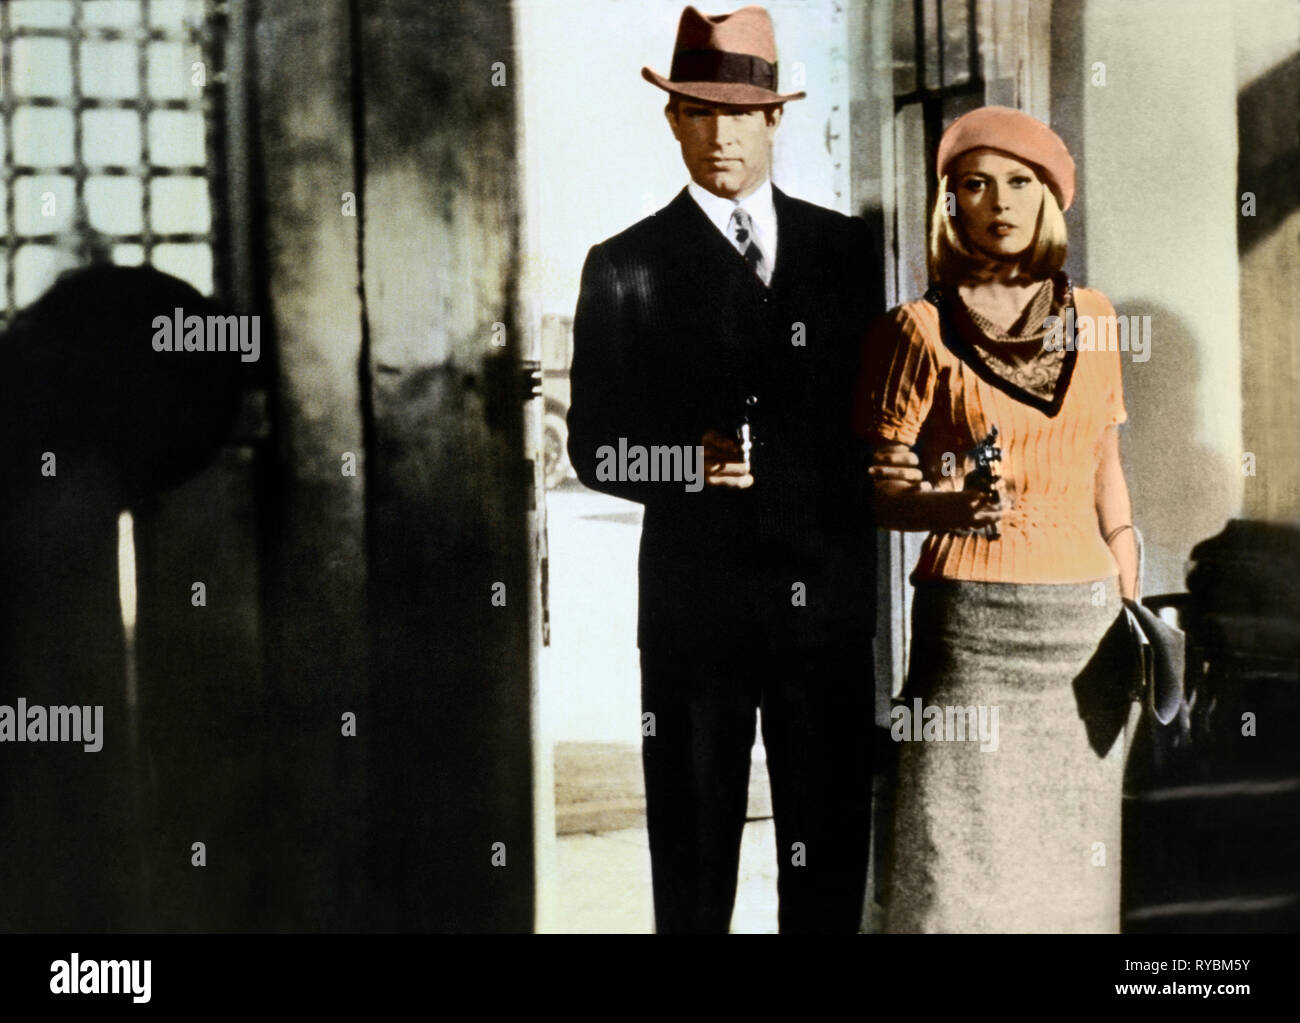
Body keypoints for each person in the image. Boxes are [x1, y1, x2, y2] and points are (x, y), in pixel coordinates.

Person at [566, 4, 889, 933]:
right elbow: (593, 448)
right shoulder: (622, 266)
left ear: (776, 118)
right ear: (672, 119)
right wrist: (683, 464)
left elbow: (887, 416)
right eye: (698, 113)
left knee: (827, 862)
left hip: (825, 614)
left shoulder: (849, 253)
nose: (719, 135)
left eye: (739, 113)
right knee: (694, 862)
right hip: (693, 623)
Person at [853, 105, 1140, 932]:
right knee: (952, 868)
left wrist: (1126, 560)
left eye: (1020, 183)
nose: (1000, 202)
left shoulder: (1098, 317)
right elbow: (878, 494)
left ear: (1049, 199)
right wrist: (945, 501)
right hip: (971, 632)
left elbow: (1103, 465)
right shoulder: (913, 331)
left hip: (1084, 633)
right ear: (952, 204)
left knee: (1072, 870)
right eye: (975, 184)